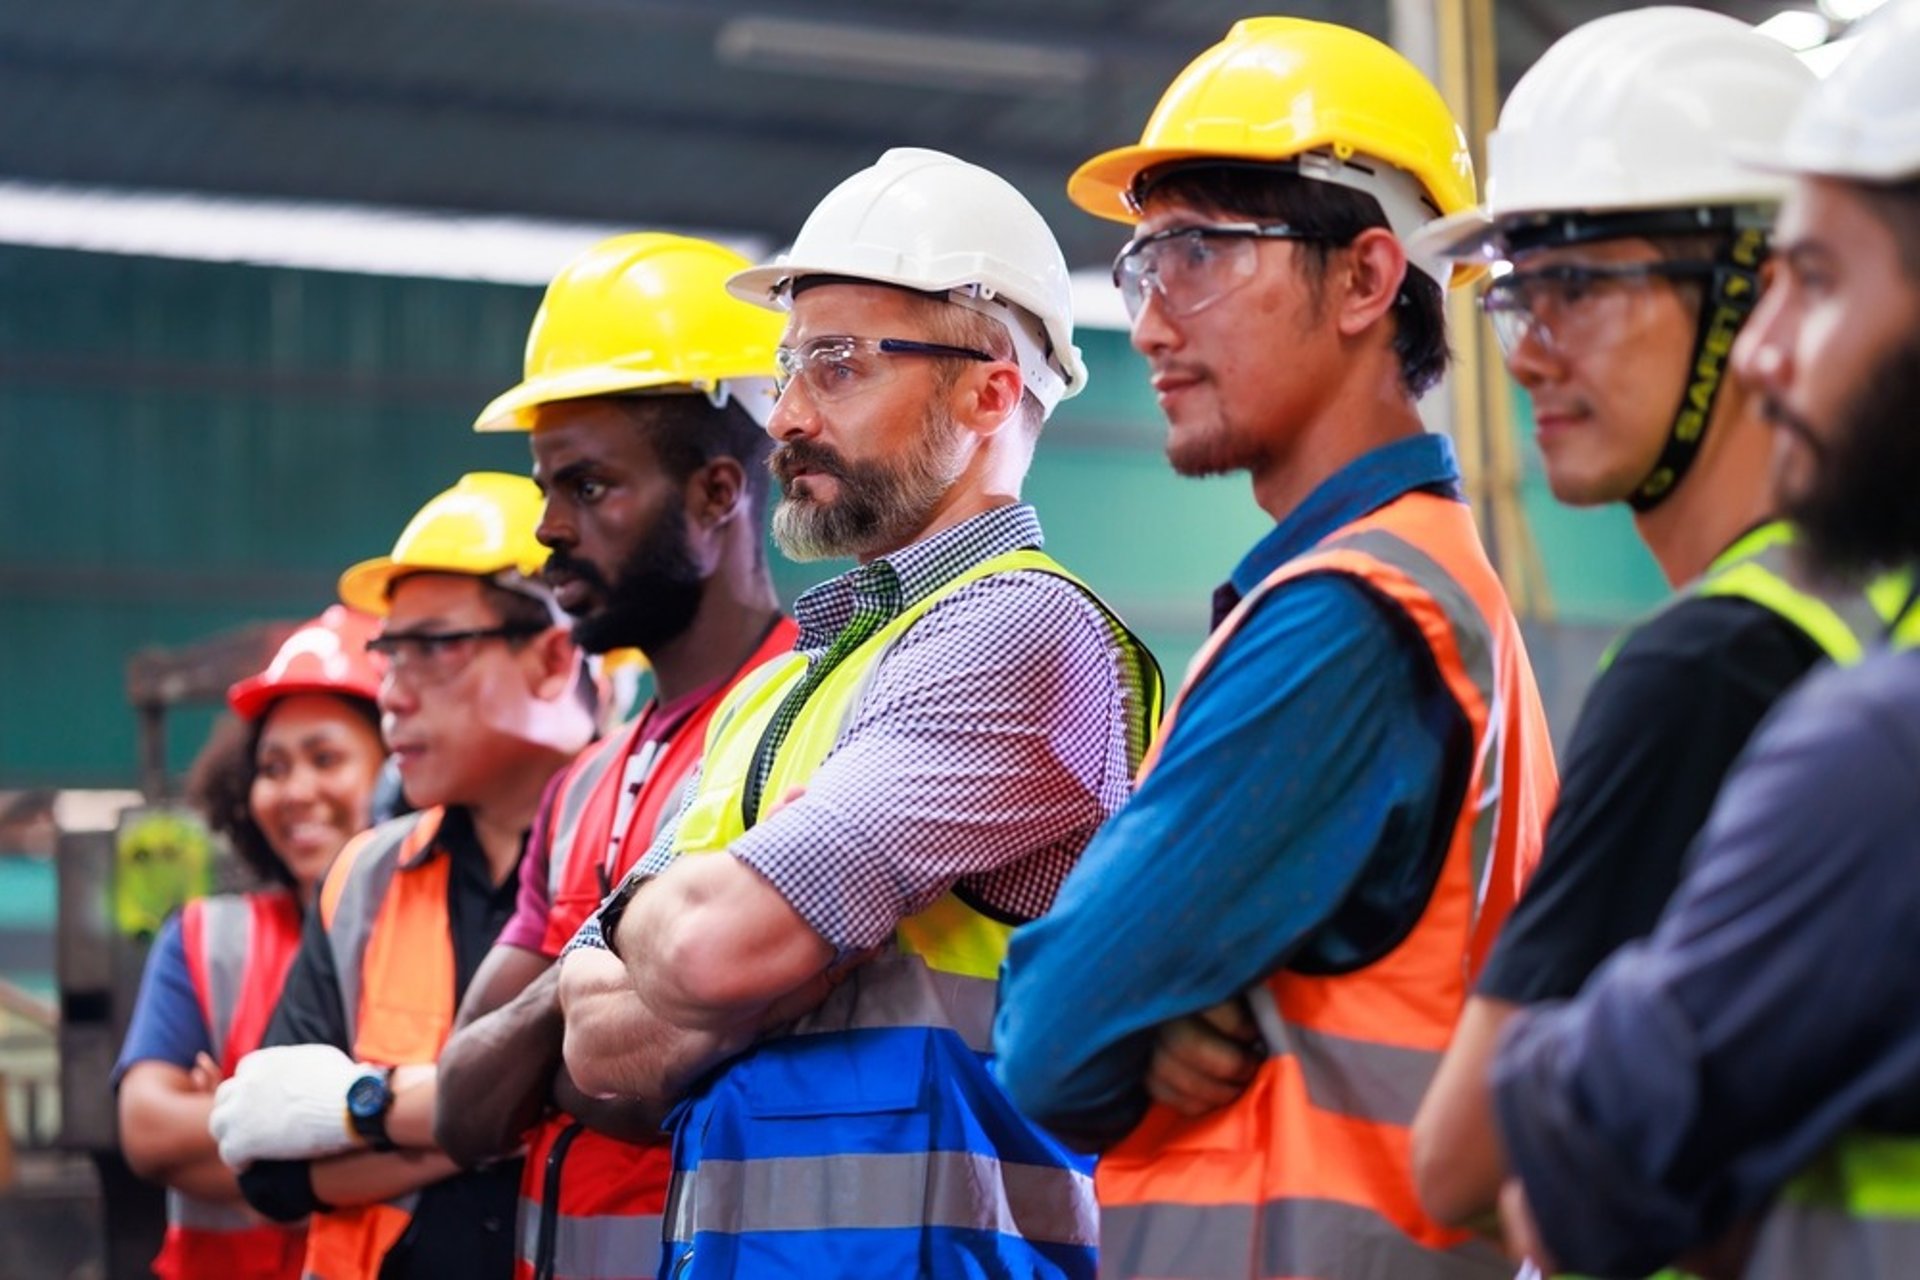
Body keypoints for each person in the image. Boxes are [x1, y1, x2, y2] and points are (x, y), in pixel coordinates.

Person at [992, 18, 1558, 1279]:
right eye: (1140, 267)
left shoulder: (1348, 619)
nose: (1149, 324)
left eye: (1195, 255)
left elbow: (1050, 1035)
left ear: (1365, 279)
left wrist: (1129, 1018)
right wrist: (1151, 1011)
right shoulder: (1423, 582)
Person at [556, 146, 1163, 1279]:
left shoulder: (1024, 632)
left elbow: (708, 950)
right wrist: (745, 949)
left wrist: (690, 939)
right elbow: (592, 1040)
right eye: (788, 366)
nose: (785, 415)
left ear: (989, 393)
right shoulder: (777, 688)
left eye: (836, 366)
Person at [1388, 9, 1896, 1232]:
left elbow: (1459, 1163)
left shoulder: (1708, 667)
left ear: (1755, 296)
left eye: (1579, 285)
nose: (1527, 355)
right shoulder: (1873, 612)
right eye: (1521, 295)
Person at [431, 232, 799, 1280]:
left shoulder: (808, 727)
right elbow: (461, 1105)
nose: (548, 528)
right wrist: (585, 991)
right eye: (546, 487)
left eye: (589, 487)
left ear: (718, 492)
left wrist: (548, 1026)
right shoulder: (583, 784)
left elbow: (656, 1089)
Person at [208, 473, 597, 1280]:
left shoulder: (640, 841)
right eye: (390, 654)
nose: (392, 693)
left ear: (552, 657)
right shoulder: (367, 876)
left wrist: (360, 1113)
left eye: (434, 648)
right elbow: (269, 1169)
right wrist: (485, 1123)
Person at [115, 606, 386, 1280]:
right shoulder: (206, 940)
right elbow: (147, 1129)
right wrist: (371, 1137)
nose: (295, 791)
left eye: (326, 758)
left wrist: (242, 1122)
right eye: (272, 766)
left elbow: (468, 1135)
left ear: (397, 766)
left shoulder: (449, 930)